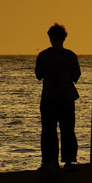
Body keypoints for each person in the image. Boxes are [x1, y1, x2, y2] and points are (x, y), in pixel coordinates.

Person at [34, 23, 81, 171]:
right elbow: (76, 76)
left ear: (50, 38)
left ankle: (49, 161)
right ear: (64, 38)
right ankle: (69, 161)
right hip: (67, 97)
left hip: (49, 97)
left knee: (49, 130)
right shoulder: (71, 56)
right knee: (68, 130)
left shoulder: (43, 55)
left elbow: (38, 75)